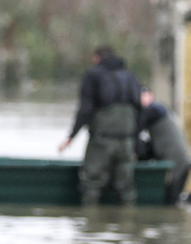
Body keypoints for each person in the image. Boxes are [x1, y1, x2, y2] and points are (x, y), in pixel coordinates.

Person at [59, 46, 142, 205]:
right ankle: (129, 224)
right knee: (126, 188)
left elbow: (85, 110)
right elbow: (139, 111)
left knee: (91, 184)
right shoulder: (131, 76)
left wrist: (71, 136)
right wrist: (135, 141)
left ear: (97, 58)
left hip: (102, 142)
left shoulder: (93, 75)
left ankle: (91, 225)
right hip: (127, 142)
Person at [137, 87, 191, 204]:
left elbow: (135, 128)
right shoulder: (160, 114)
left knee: (171, 202)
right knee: (171, 203)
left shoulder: (155, 110)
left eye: (145, 96)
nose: (142, 100)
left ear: (151, 97)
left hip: (177, 166)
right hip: (179, 163)